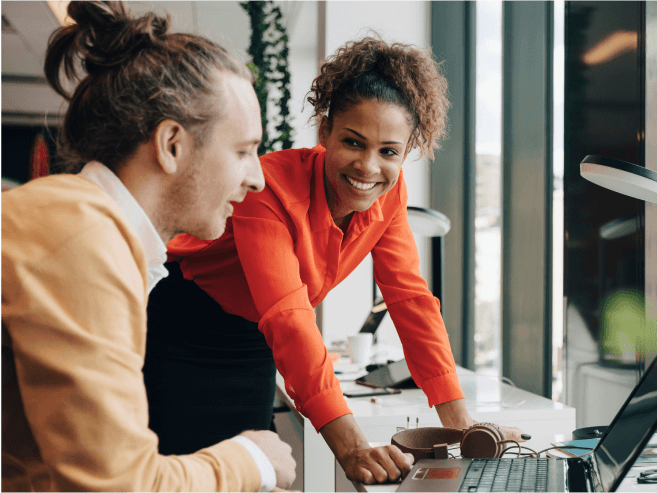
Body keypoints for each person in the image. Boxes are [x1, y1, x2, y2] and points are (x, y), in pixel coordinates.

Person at [144, 36, 528, 484]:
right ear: (324, 132)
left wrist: (462, 424)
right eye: (353, 142)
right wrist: (351, 445)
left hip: (251, 339)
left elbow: (409, 299)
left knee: (247, 475)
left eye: (389, 152)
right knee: (180, 475)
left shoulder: (390, 195)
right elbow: (288, 314)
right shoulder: (267, 187)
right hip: (181, 323)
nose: (368, 167)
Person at [0, 0, 297, 491]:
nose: (257, 179)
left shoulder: (87, 228)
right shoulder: (81, 239)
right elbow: (117, 485)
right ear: (172, 145)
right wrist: (253, 459)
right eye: (243, 151)